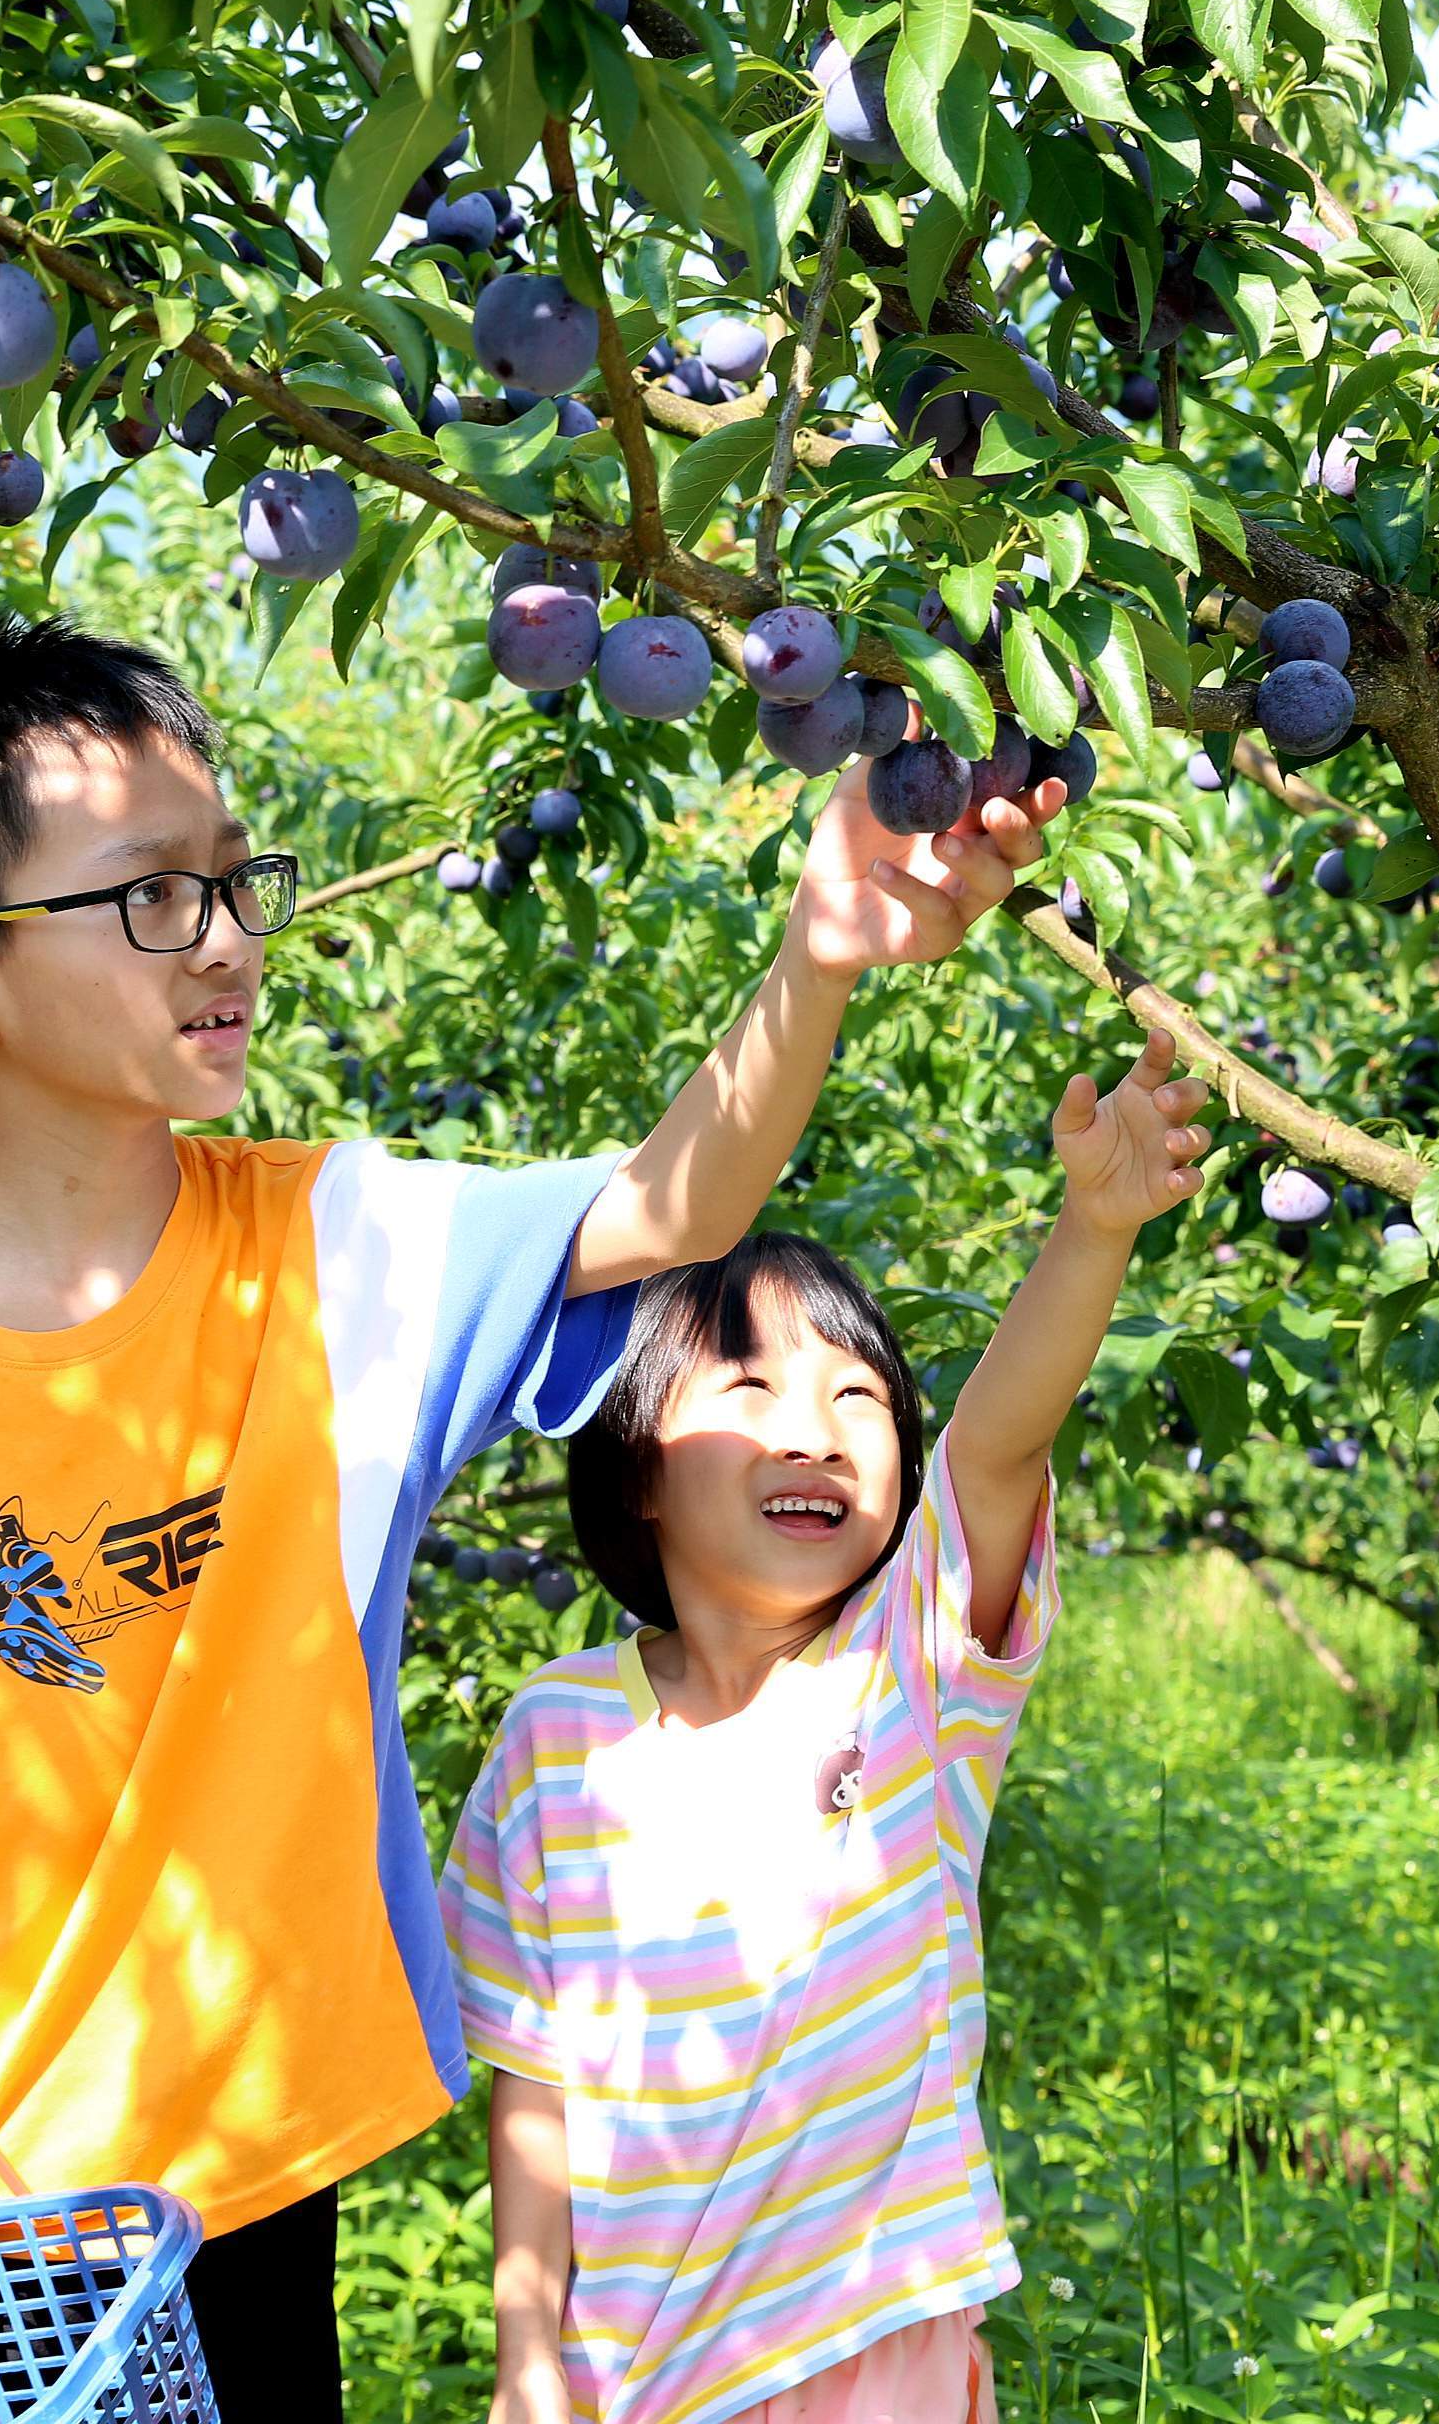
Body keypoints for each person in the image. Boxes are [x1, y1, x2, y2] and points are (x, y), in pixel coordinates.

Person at [0, 612, 1062, 2415]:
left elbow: (669, 1205)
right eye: (151, 895)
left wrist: (817, 959)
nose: (226, 940)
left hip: (231, 2156)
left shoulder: (336, 1255)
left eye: (239, 884)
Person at [445, 1035, 1211, 2424]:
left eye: (857, 1400)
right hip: (637, 2376)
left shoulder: (908, 1676)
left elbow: (998, 1441)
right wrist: (524, 2345)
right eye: (751, 1392)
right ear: (639, 1469)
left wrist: (1095, 1228)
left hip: (874, 2344)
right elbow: (535, 2080)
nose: (817, 1434)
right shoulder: (554, 1740)